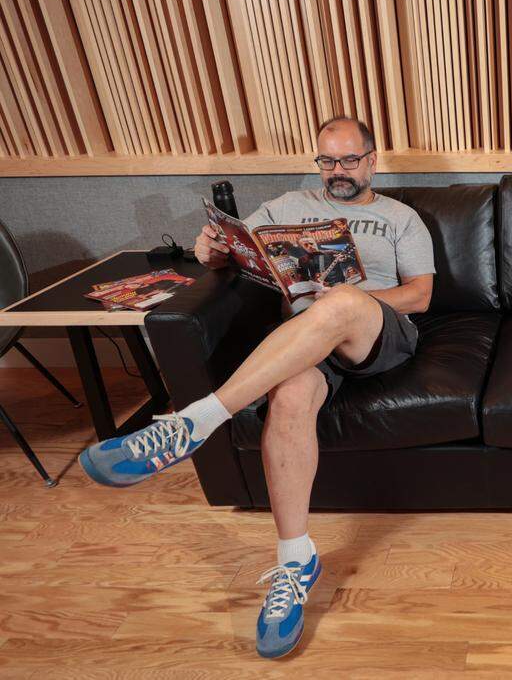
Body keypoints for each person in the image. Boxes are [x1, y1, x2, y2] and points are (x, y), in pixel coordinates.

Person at [79, 117, 436, 658]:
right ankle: (296, 561)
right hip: (304, 342)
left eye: (349, 160)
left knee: (338, 301)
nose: (337, 172)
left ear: (371, 160)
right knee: (288, 397)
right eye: (327, 161)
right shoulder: (285, 208)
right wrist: (212, 247)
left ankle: (193, 422)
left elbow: (421, 297)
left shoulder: (399, 218)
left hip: (375, 335)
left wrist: (346, 304)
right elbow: (231, 255)